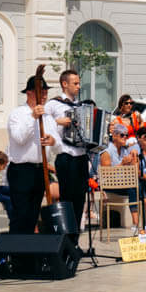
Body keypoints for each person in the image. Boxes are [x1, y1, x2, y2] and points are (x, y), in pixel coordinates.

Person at [3, 66, 60, 235]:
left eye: (45, 92)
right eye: (39, 92)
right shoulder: (18, 114)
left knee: (33, 214)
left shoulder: (48, 117)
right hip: (21, 170)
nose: (43, 95)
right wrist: (33, 117)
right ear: (29, 93)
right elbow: (19, 138)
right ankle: (17, 253)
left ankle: (29, 251)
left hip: (40, 170)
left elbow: (58, 146)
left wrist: (53, 141)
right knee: (21, 214)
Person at [47, 70, 92, 226]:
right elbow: (42, 124)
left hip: (81, 156)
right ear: (64, 84)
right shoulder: (53, 104)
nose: (79, 86)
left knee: (80, 198)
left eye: (79, 83)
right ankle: (65, 238)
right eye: (75, 83)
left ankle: (75, 241)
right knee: (67, 198)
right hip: (65, 156)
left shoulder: (82, 105)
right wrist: (57, 122)